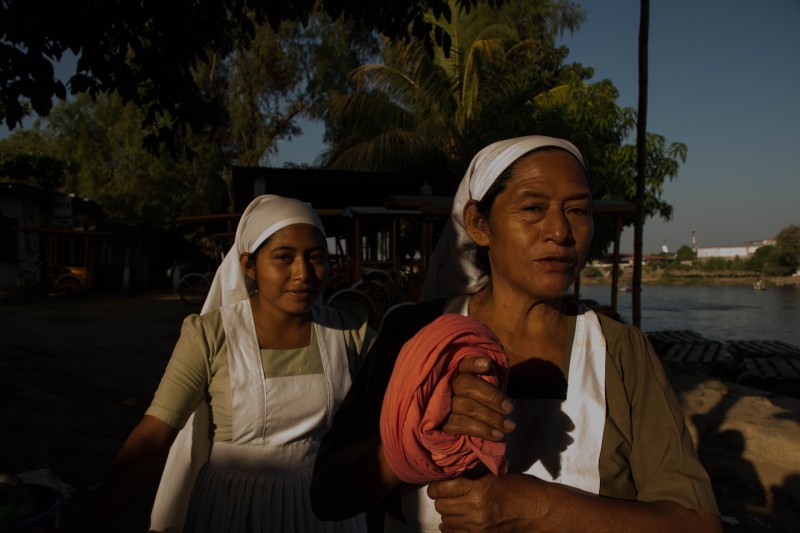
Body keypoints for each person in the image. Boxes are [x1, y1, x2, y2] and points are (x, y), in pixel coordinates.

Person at [310, 136, 722, 532]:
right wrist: (409, 443)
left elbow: (697, 523)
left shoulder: (620, 352)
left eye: (578, 211)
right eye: (532, 208)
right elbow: (328, 495)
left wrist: (537, 509)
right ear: (479, 224)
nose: (560, 231)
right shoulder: (413, 336)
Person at [84, 195, 374, 532]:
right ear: (249, 265)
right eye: (284, 257)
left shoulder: (350, 335)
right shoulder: (210, 336)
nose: (303, 273)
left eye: (316, 257)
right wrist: (92, 521)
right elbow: (153, 434)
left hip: (327, 512)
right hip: (233, 512)